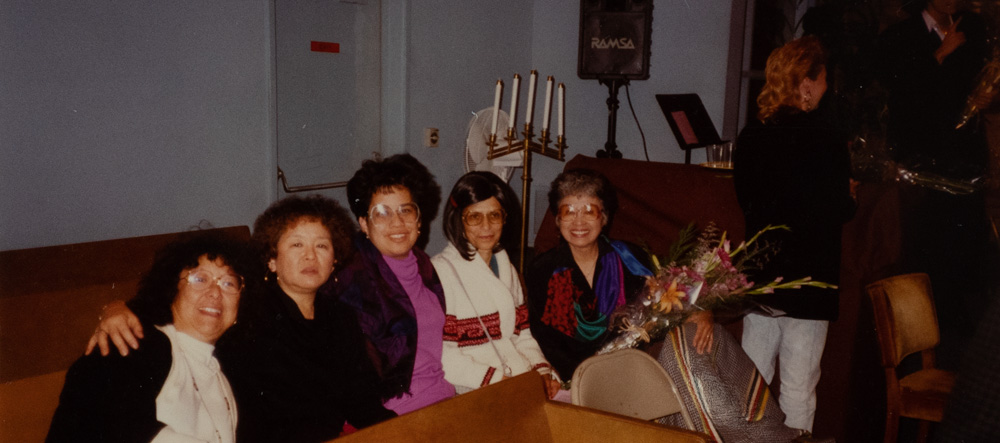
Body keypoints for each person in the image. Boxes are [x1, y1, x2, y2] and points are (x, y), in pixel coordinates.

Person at [86, 196, 396, 443]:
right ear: (272, 260)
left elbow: (362, 401)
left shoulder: (340, 318)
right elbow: (178, 303)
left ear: (335, 260)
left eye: (322, 246)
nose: (310, 256)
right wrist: (115, 308)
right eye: (296, 244)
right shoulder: (249, 307)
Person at [733, 36, 856, 433]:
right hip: (808, 275)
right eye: (822, 80)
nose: (826, 89)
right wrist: (849, 196)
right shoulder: (827, 138)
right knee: (799, 388)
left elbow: (748, 202)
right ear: (806, 83)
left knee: (750, 383)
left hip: (763, 274)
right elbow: (835, 209)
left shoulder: (752, 135)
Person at [48, 233, 253, 442]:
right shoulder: (137, 343)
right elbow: (113, 426)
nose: (215, 293)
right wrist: (114, 309)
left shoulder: (228, 366)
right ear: (172, 288)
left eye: (229, 283)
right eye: (199, 279)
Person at [877, 0, 994, 363]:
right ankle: (920, 366)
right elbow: (903, 99)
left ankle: (959, 369)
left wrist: (985, 98)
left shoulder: (972, 32)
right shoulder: (902, 36)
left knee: (970, 271)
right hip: (923, 176)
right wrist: (940, 54)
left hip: (965, 173)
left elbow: (975, 91)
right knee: (926, 269)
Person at [525, 168, 715, 381]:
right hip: (571, 378)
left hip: (630, 371)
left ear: (603, 218)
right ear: (558, 220)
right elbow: (544, 341)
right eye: (569, 212)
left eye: (589, 211)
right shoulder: (542, 270)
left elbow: (667, 306)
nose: (579, 222)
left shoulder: (631, 259)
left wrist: (699, 312)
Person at [333, 153, 455, 414]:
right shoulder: (352, 282)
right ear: (364, 224)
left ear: (419, 219)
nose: (397, 223)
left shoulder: (425, 266)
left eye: (405, 210)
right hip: (395, 414)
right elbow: (353, 382)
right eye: (382, 213)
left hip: (445, 397)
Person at [431, 171, 560, 397]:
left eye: (494, 215)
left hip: (514, 375)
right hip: (470, 386)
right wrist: (499, 381)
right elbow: (444, 356)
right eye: (474, 217)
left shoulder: (506, 267)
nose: (486, 226)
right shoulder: (440, 273)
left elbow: (522, 335)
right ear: (458, 218)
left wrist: (541, 371)